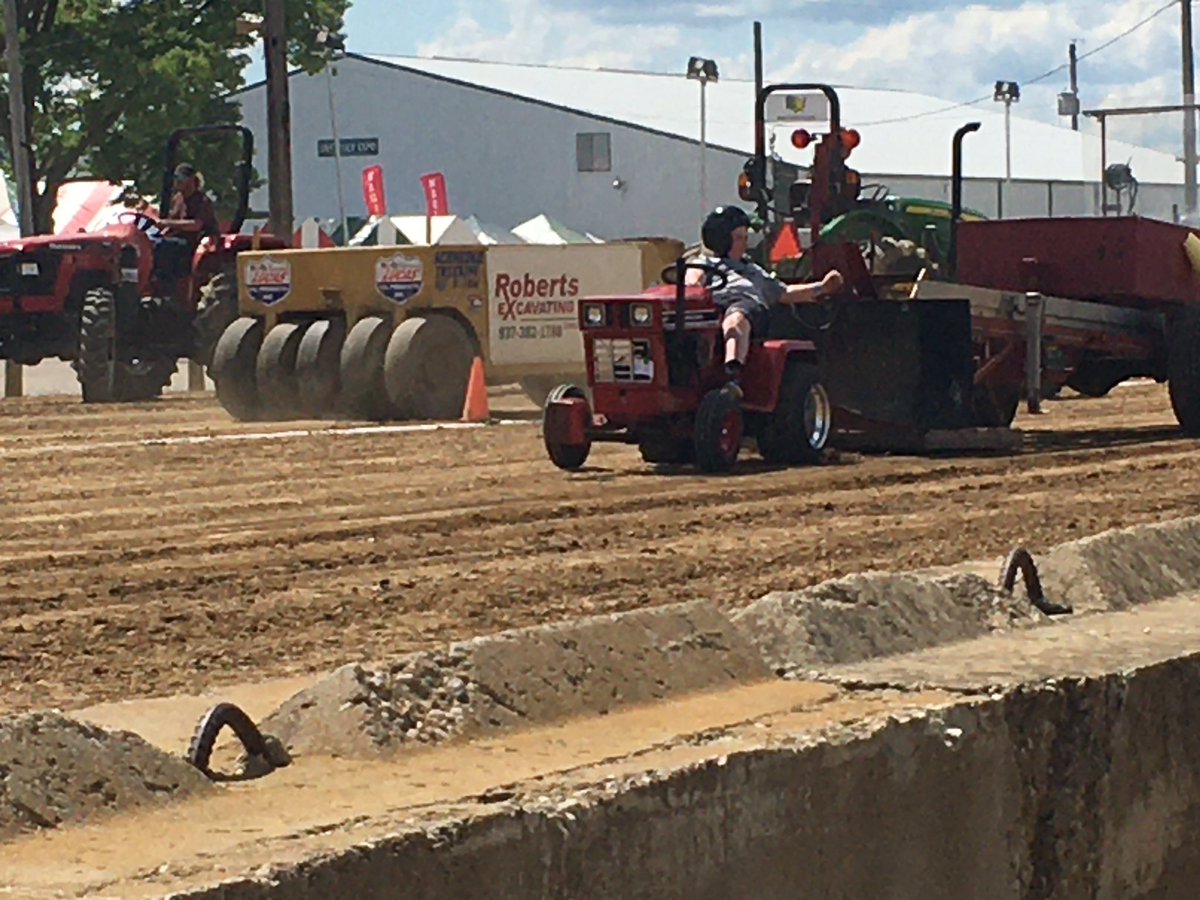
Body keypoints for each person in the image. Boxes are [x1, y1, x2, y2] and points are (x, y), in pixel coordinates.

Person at [691, 205, 843, 386]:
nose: (745, 243)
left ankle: (733, 374)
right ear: (721, 241)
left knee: (736, 319)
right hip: (711, 308)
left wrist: (822, 288)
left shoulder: (753, 270)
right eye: (739, 237)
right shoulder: (703, 264)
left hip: (747, 306)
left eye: (746, 237)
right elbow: (691, 286)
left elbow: (785, 293)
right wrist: (694, 283)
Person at [159, 163, 219, 238]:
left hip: (196, 243)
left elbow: (196, 225)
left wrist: (166, 223)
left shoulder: (203, 200)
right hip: (178, 240)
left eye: (181, 177)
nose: (177, 181)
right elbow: (173, 222)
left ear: (191, 179)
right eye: (175, 177)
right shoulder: (178, 198)